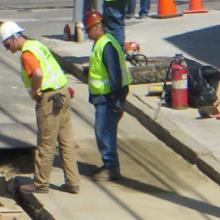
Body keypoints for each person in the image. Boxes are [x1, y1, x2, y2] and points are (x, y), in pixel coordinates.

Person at [0, 21, 80, 193]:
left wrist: (36, 92)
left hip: (49, 99)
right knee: (66, 142)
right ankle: (73, 182)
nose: (7, 49)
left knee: (45, 143)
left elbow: (37, 73)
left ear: (15, 38)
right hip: (63, 93)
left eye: (7, 44)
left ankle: (40, 184)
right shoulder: (36, 45)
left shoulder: (27, 54)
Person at [83, 10, 131, 181]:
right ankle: (109, 164)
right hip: (104, 96)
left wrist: (116, 100)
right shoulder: (102, 42)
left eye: (88, 30)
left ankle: (111, 168)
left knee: (104, 132)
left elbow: (115, 75)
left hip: (108, 97)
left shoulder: (106, 45)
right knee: (105, 131)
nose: (87, 33)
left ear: (97, 27)